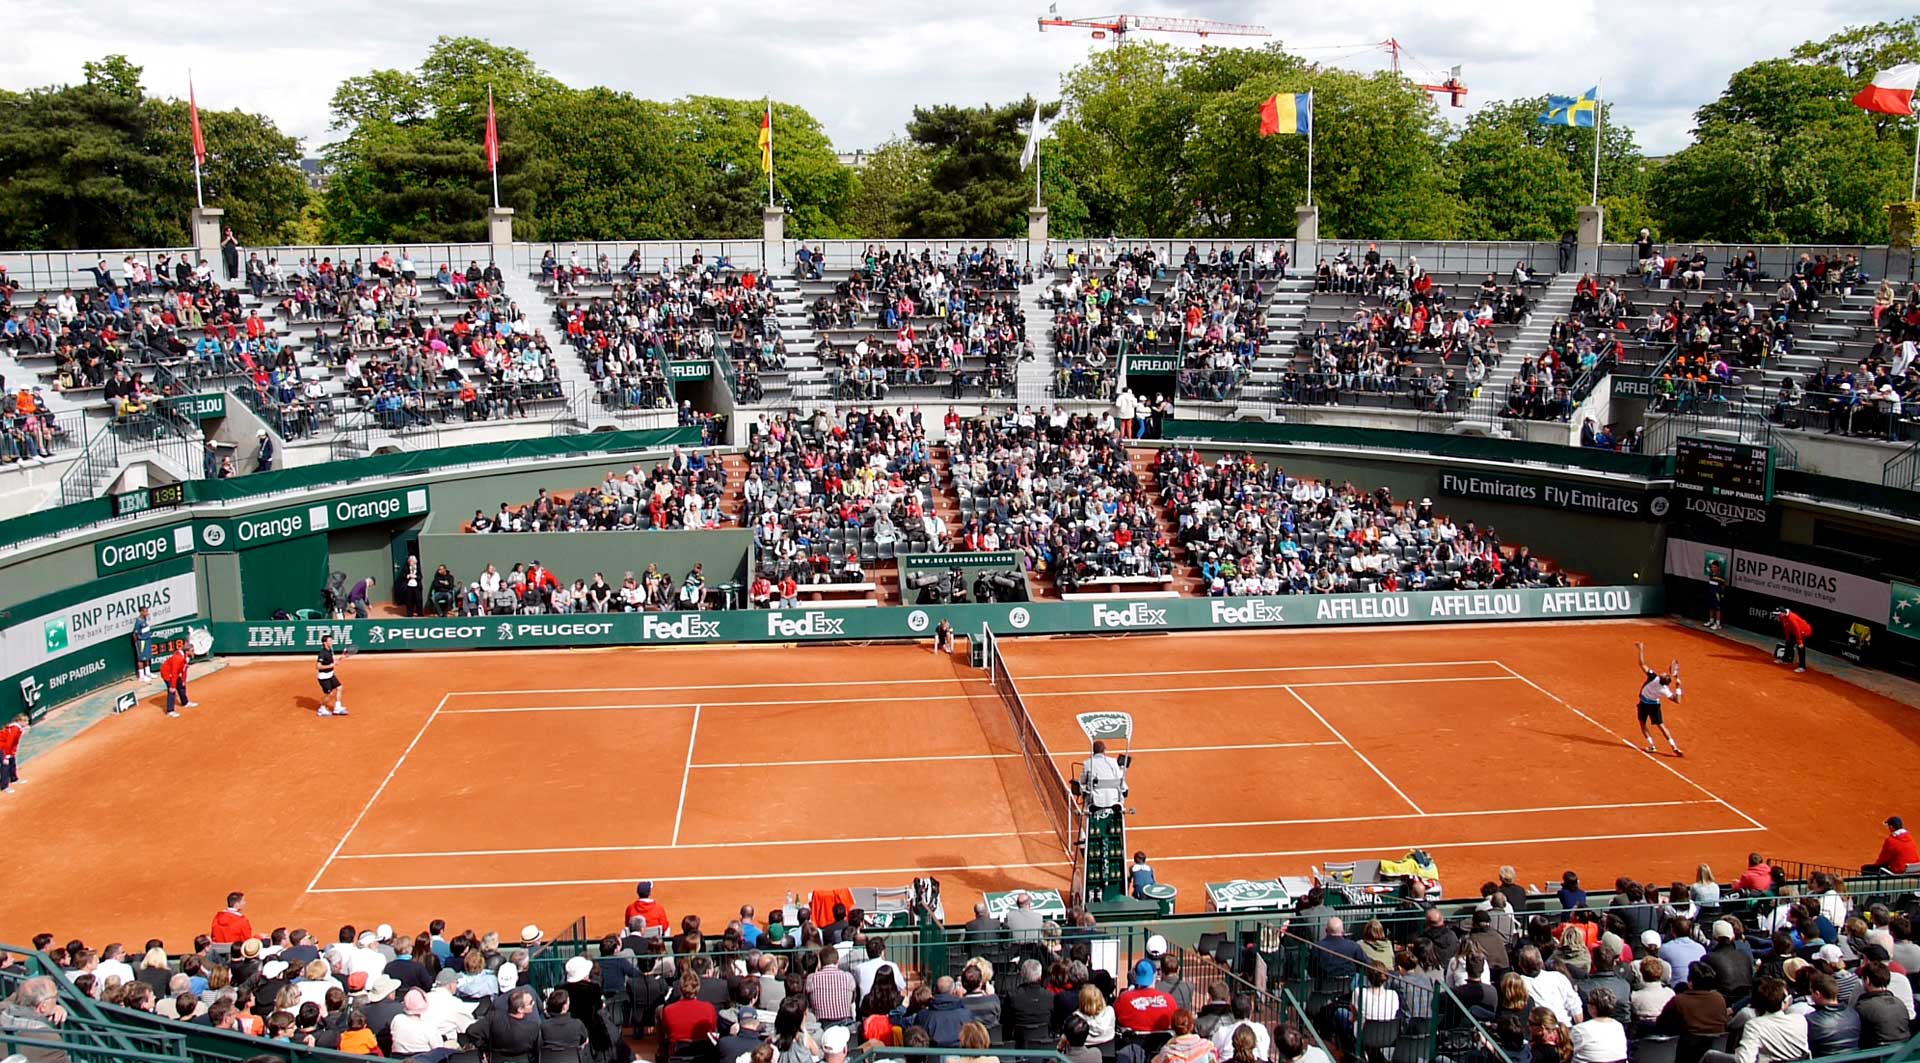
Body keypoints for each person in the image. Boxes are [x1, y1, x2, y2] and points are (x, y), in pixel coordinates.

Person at [1633, 641, 1684, 756]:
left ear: (1661, 678)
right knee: (1661, 726)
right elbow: (1678, 700)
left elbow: (1642, 664)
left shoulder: (1653, 677)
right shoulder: (1664, 690)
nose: (1665, 672)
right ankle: (1674, 746)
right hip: (1654, 706)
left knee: (1642, 724)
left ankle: (1652, 746)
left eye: (1664, 674)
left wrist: (1641, 649)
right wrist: (1678, 688)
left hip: (1644, 704)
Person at [1080, 740, 1127, 812]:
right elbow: (1120, 779)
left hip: (1095, 800)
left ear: (1093, 751)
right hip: (1114, 799)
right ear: (1104, 750)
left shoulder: (1088, 763)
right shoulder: (1113, 762)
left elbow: (1083, 781)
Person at [315, 633, 347, 718]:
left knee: (339, 687)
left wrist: (340, 658)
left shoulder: (331, 650)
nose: (331, 642)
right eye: (330, 641)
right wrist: (330, 666)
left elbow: (333, 662)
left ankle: (337, 708)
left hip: (331, 675)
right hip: (323, 677)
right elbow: (318, 666)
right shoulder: (322, 653)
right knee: (329, 694)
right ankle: (321, 709)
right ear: (325, 643)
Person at [159, 645, 195, 717]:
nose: (193, 652)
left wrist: (184, 680)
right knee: (172, 691)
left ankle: (185, 702)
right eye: (192, 650)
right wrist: (172, 686)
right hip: (167, 673)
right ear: (187, 651)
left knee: (181, 686)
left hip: (174, 673)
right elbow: (174, 672)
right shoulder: (178, 658)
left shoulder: (186, 657)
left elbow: (184, 669)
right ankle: (170, 711)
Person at [1773, 608, 1811, 673]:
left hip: (1804, 631)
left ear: (1783, 613)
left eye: (1778, 614)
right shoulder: (1782, 617)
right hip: (1794, 631)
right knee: (1788, 643)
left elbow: (1797, 629)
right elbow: (1785, 628)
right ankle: (1785, 659)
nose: (1777, 615)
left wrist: (1800, 642)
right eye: (1776, 614)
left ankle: (1802, 667)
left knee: (1800, 648)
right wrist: (1788, 638)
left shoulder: (1791, 618)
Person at [0, 714, 25, 794]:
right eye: (25, 721)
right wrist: (6, 756)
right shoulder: (15, 729)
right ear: (19, 721)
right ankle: (4, 787)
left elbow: (14, 743)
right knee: (5, 765)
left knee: (12, 761)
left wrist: (12, 753)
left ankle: (14, 779)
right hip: (1, 747)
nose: (27, 723)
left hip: (6, 747)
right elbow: (9, 742)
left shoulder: (18, 729)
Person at [132, 605, 155, 683]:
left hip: (147, 640)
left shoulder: (145, 619)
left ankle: (148, 673)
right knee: (141, 659)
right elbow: (135, 634)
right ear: (141, 612)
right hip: (141, 642)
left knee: (147, 657)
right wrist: (137, 643)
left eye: (147, 611)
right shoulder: (138, 621)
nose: (147, 613)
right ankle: (141, 677)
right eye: (145, 611)